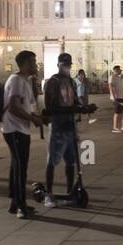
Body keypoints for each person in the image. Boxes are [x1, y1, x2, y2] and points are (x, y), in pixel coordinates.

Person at [3, 50, 44, 218]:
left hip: (20, 129)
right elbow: (13, 107)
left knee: (17, 165)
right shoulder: (17, 80)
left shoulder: (25, 81)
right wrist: (33, 119)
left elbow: (28, 104)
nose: (36, 65)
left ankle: (15, 203)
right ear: (26, 63)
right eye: (33, 62)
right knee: (20, 168)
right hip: (14, 130)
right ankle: (21, 206)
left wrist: (34, 117)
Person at [42, 52, 84, 208]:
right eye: (64, 64)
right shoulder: (53, 81)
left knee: (71, 162)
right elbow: (49, 106)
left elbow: (75, 101)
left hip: (70, 126)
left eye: (69, 65)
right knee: (52, 161)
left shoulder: (72, 82)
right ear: (58, 65)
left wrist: (83, 107)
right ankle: (49, 194)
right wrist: (70, 109)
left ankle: (69, 192)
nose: (67, 67)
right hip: (58, 126)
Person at [109, 65, 123, 133]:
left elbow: (122, 87)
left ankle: (117, 127)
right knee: (117, 112)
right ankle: (114, 128)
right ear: (115, 70)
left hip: (121, 96)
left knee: (120, 112)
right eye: (119, 70)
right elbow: (111, 86)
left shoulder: (119, 77)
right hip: (116, 98)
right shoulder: (112, 77)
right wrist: (114, 97)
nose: (120, 71)